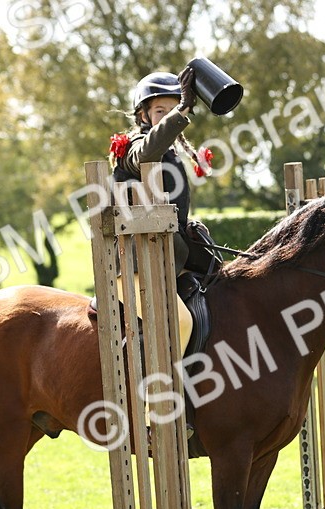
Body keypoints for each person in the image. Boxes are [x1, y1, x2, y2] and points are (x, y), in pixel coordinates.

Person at [108, 67, 219, 355]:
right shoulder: (131, 148)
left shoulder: (171, 155)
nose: (169, 115)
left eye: (174, 109)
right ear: (143, 116)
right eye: (160, 111)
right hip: (134, 264)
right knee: (180, 323)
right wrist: (182, 110)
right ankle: (155, 399)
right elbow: (146, 154)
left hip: (168, 260)